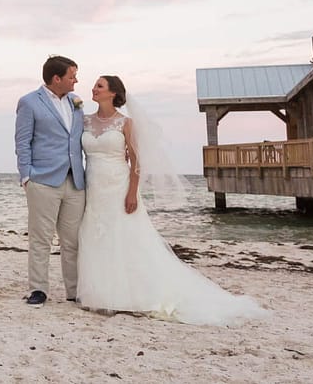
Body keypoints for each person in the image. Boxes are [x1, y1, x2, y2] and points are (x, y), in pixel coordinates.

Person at [76, 75, 269, 325]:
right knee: (96, 236)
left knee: (126, 237)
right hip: (93, 188)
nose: (94, 88)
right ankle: (99, 292)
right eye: (95, 85)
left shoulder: (126, 123)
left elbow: (136, 161)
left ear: (113, 93)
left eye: (99, 85)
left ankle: (131, 293)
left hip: (118, 186)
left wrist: (133, 192)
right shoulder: (85, 121)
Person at [14, 55, 86, 307]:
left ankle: (74, 290)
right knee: (41, 238)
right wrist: (26, 176)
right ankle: (38, 290)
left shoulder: (76, 103)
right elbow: (22, 142)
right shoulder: (29, 102)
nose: (76, 80)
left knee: (73, 240)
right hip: (42, 180)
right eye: (72, 75)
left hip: (75, 181)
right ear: (57, 78)